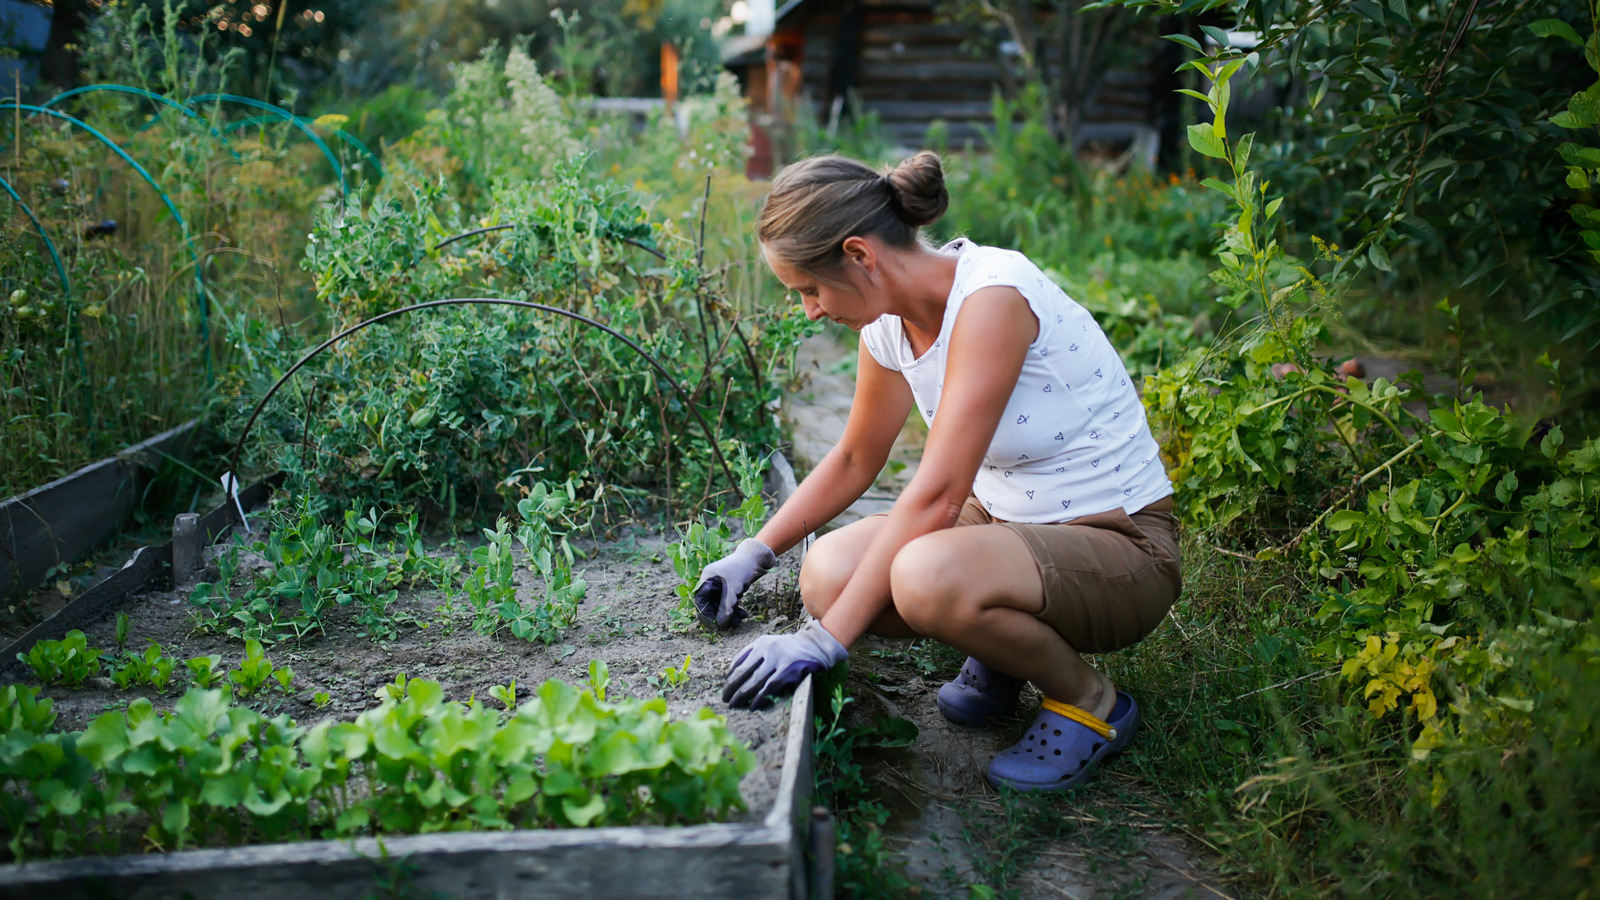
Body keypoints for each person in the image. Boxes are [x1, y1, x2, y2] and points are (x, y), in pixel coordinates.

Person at [695, 151, 1181, 792]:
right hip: (1009, 527)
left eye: (810, 289)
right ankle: (1008, 652)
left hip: (1121, 546)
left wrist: (824, 642)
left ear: (860, 254)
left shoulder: (992, 295)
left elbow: (940, 494)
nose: (810, 311)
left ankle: (1092, 703)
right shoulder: (888, 328)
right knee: (828, 575)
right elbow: (853, 459)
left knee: (924, 577)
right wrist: (754, 553)